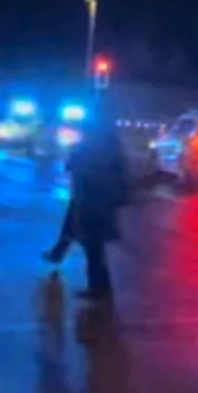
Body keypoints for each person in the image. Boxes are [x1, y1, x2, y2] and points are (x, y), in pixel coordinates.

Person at [43, 115, 128, 299]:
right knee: (93, 244)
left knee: (92, 245)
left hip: (89, 200)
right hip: (102, 202)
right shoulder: (113, 148)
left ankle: (98, 287)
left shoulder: (88, 149)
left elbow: (72, 166)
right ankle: (101, 286)